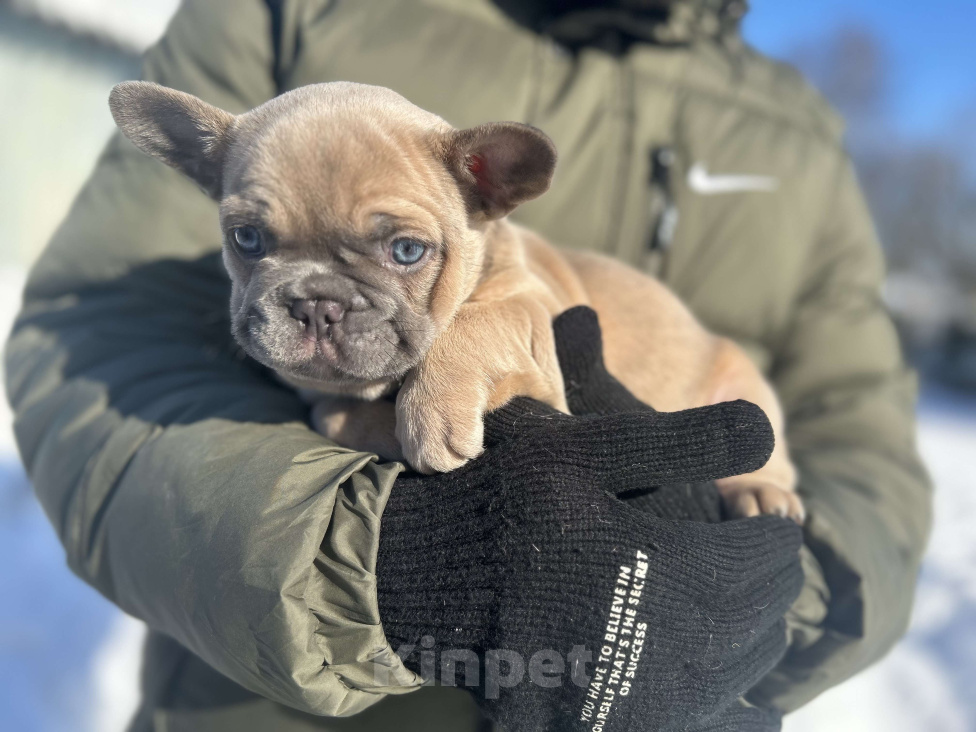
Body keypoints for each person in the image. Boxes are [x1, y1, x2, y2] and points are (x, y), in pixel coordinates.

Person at [4, 0, 931, 730]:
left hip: (691, 437)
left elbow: (853, 420)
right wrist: (374, 553)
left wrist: (762, 605)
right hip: (271, 709)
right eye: (256, 238)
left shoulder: (799, 133)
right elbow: (94, 328)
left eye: (401, 251)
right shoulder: (287, 9)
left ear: (486, 185)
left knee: (727, 382)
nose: (318, 302)